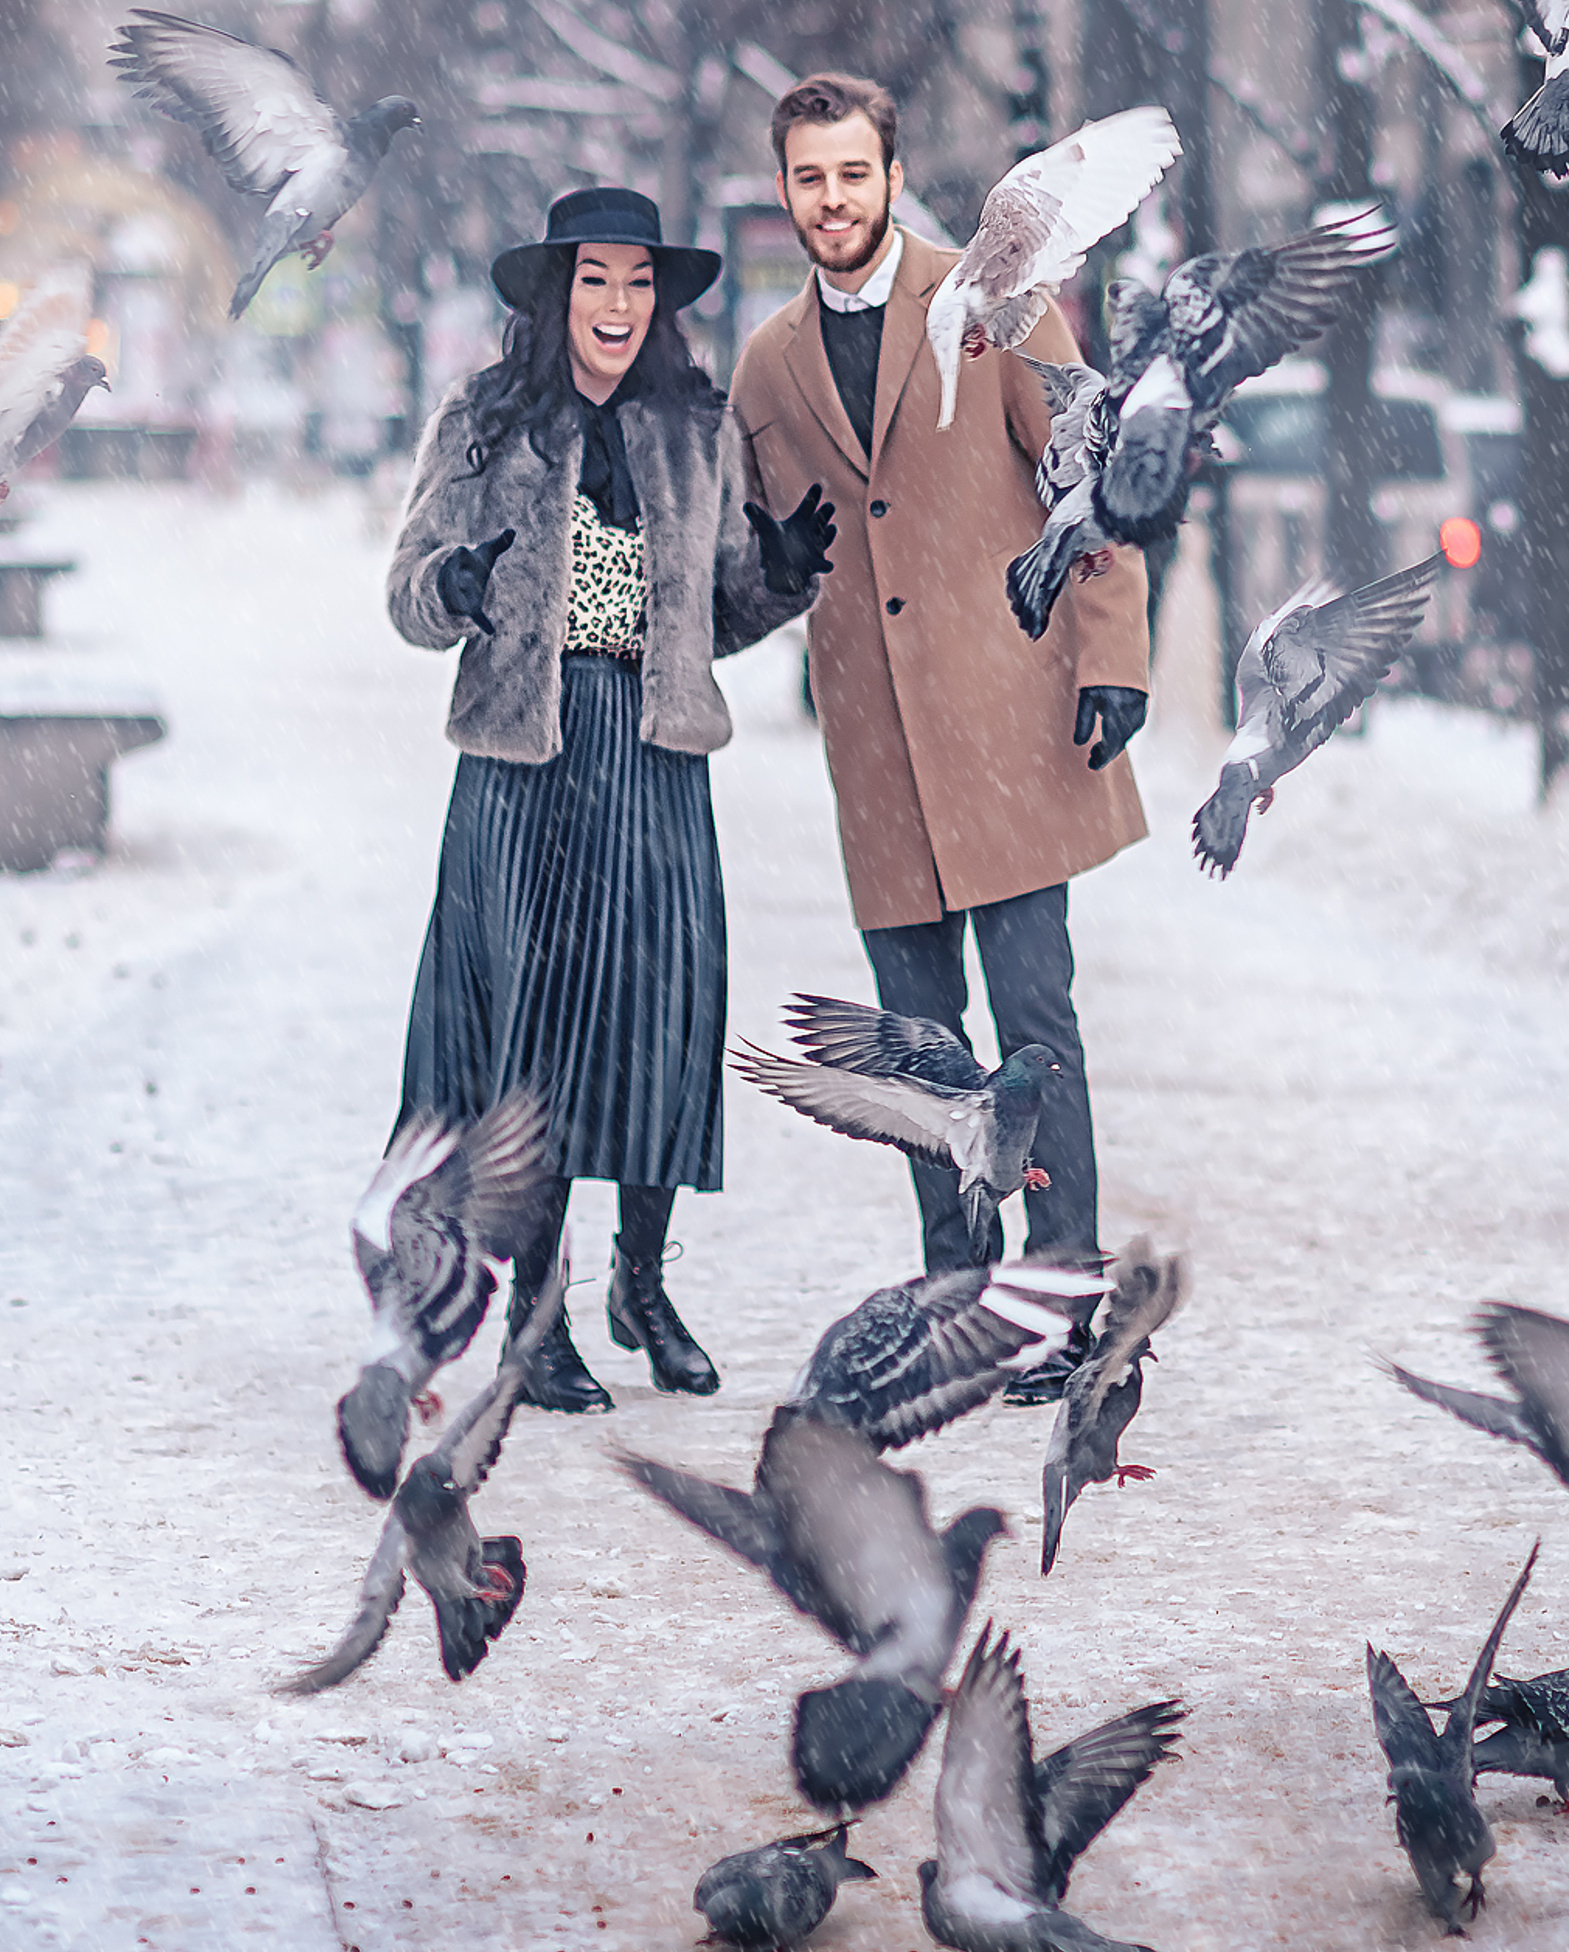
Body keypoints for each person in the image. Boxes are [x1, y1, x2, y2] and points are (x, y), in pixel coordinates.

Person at [727, 75, 1149, 1391]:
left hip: (1010, 726)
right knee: (921, 1052)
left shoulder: (998, 291)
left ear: (891, 177)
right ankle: (960, 1301)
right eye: (809, 177)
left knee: (1035, 1024)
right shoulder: (767, 364)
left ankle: (1059, 1294)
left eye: (853, 173)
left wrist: (1114, 654)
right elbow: (755, 556)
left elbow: (1093, 467)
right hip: (876, 751)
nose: (833, 199)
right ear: (784, 188)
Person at [386, 185, 834, 1413]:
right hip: (523, 767)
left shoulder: (697, 427)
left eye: (638, 284)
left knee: (662, 1024)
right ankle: (537, 1318)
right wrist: (457, 587)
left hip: (654, 752)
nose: (619, 306)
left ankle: (642, 1281)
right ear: (554, 294)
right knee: (538, 1040)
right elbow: (406, 596)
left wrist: (784, 576)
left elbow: (720, 608)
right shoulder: (485, 421)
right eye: (596, 281)